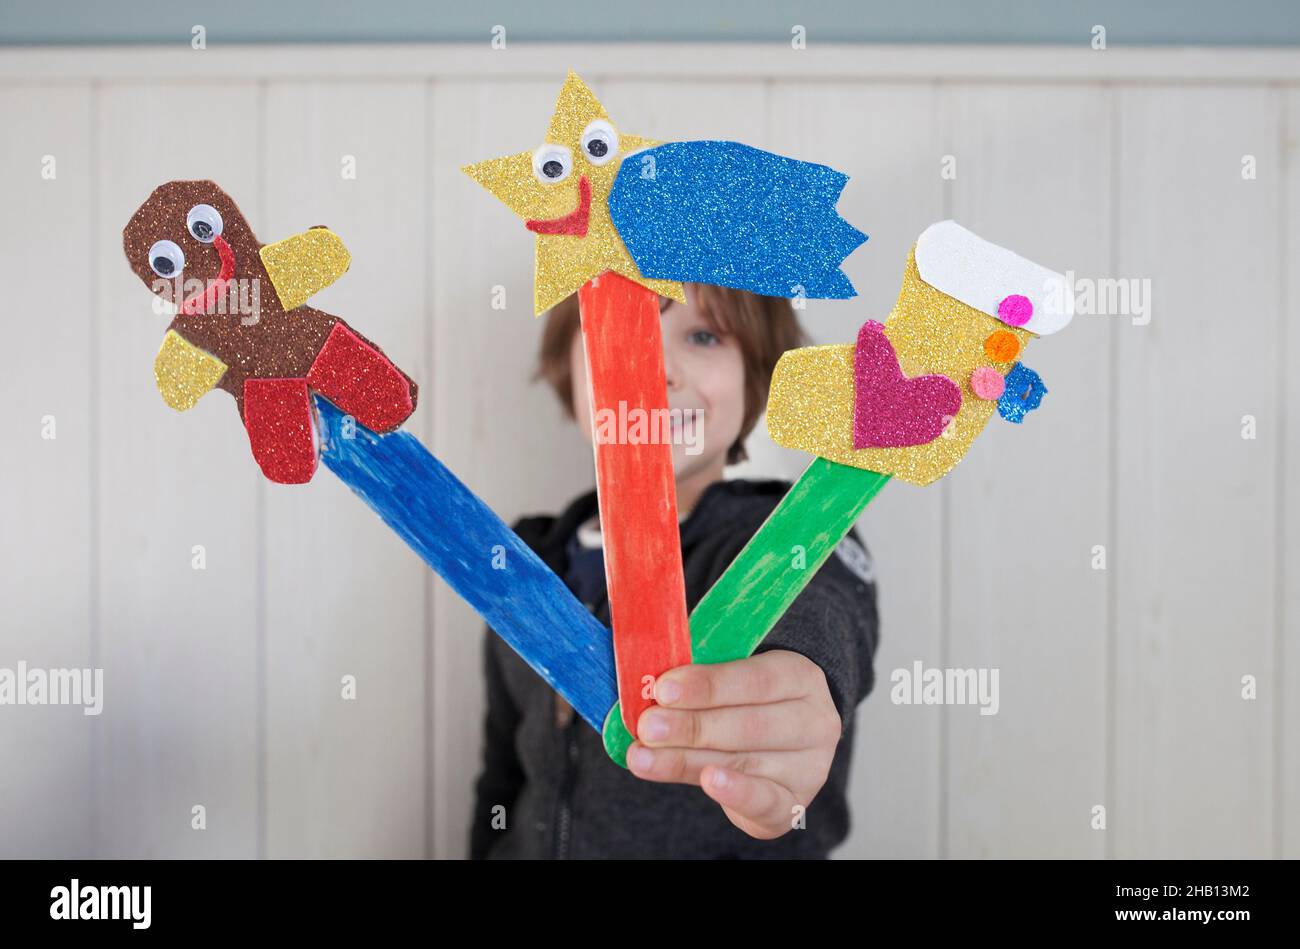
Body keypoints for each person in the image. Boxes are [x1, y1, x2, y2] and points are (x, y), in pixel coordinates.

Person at [469, 283, 880, 859]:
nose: (655, 371)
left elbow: (824, 609)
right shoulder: (521, 561)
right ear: (568, 366)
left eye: (704, 336)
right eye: (616, 327)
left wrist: (805, 673)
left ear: (757, 374)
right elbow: (501, 779)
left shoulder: (785, 538)